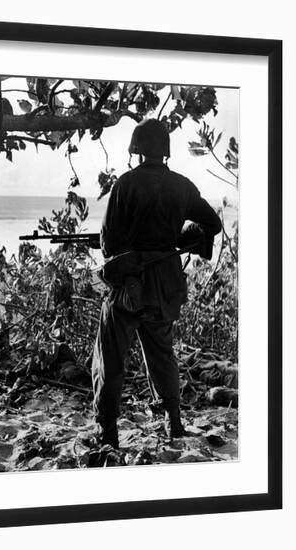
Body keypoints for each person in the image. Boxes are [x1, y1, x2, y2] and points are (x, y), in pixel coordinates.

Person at [92, 118, 222, 448]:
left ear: (136, 150)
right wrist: (179, 238)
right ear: (165, 151)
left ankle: (108, 431)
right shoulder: (182, 185)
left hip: (131, 285)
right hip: (165, 285)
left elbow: (108, 244)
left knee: (110, 357)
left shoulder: (125, 185)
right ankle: (174, 423)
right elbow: (212, 224)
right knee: (162, 355)